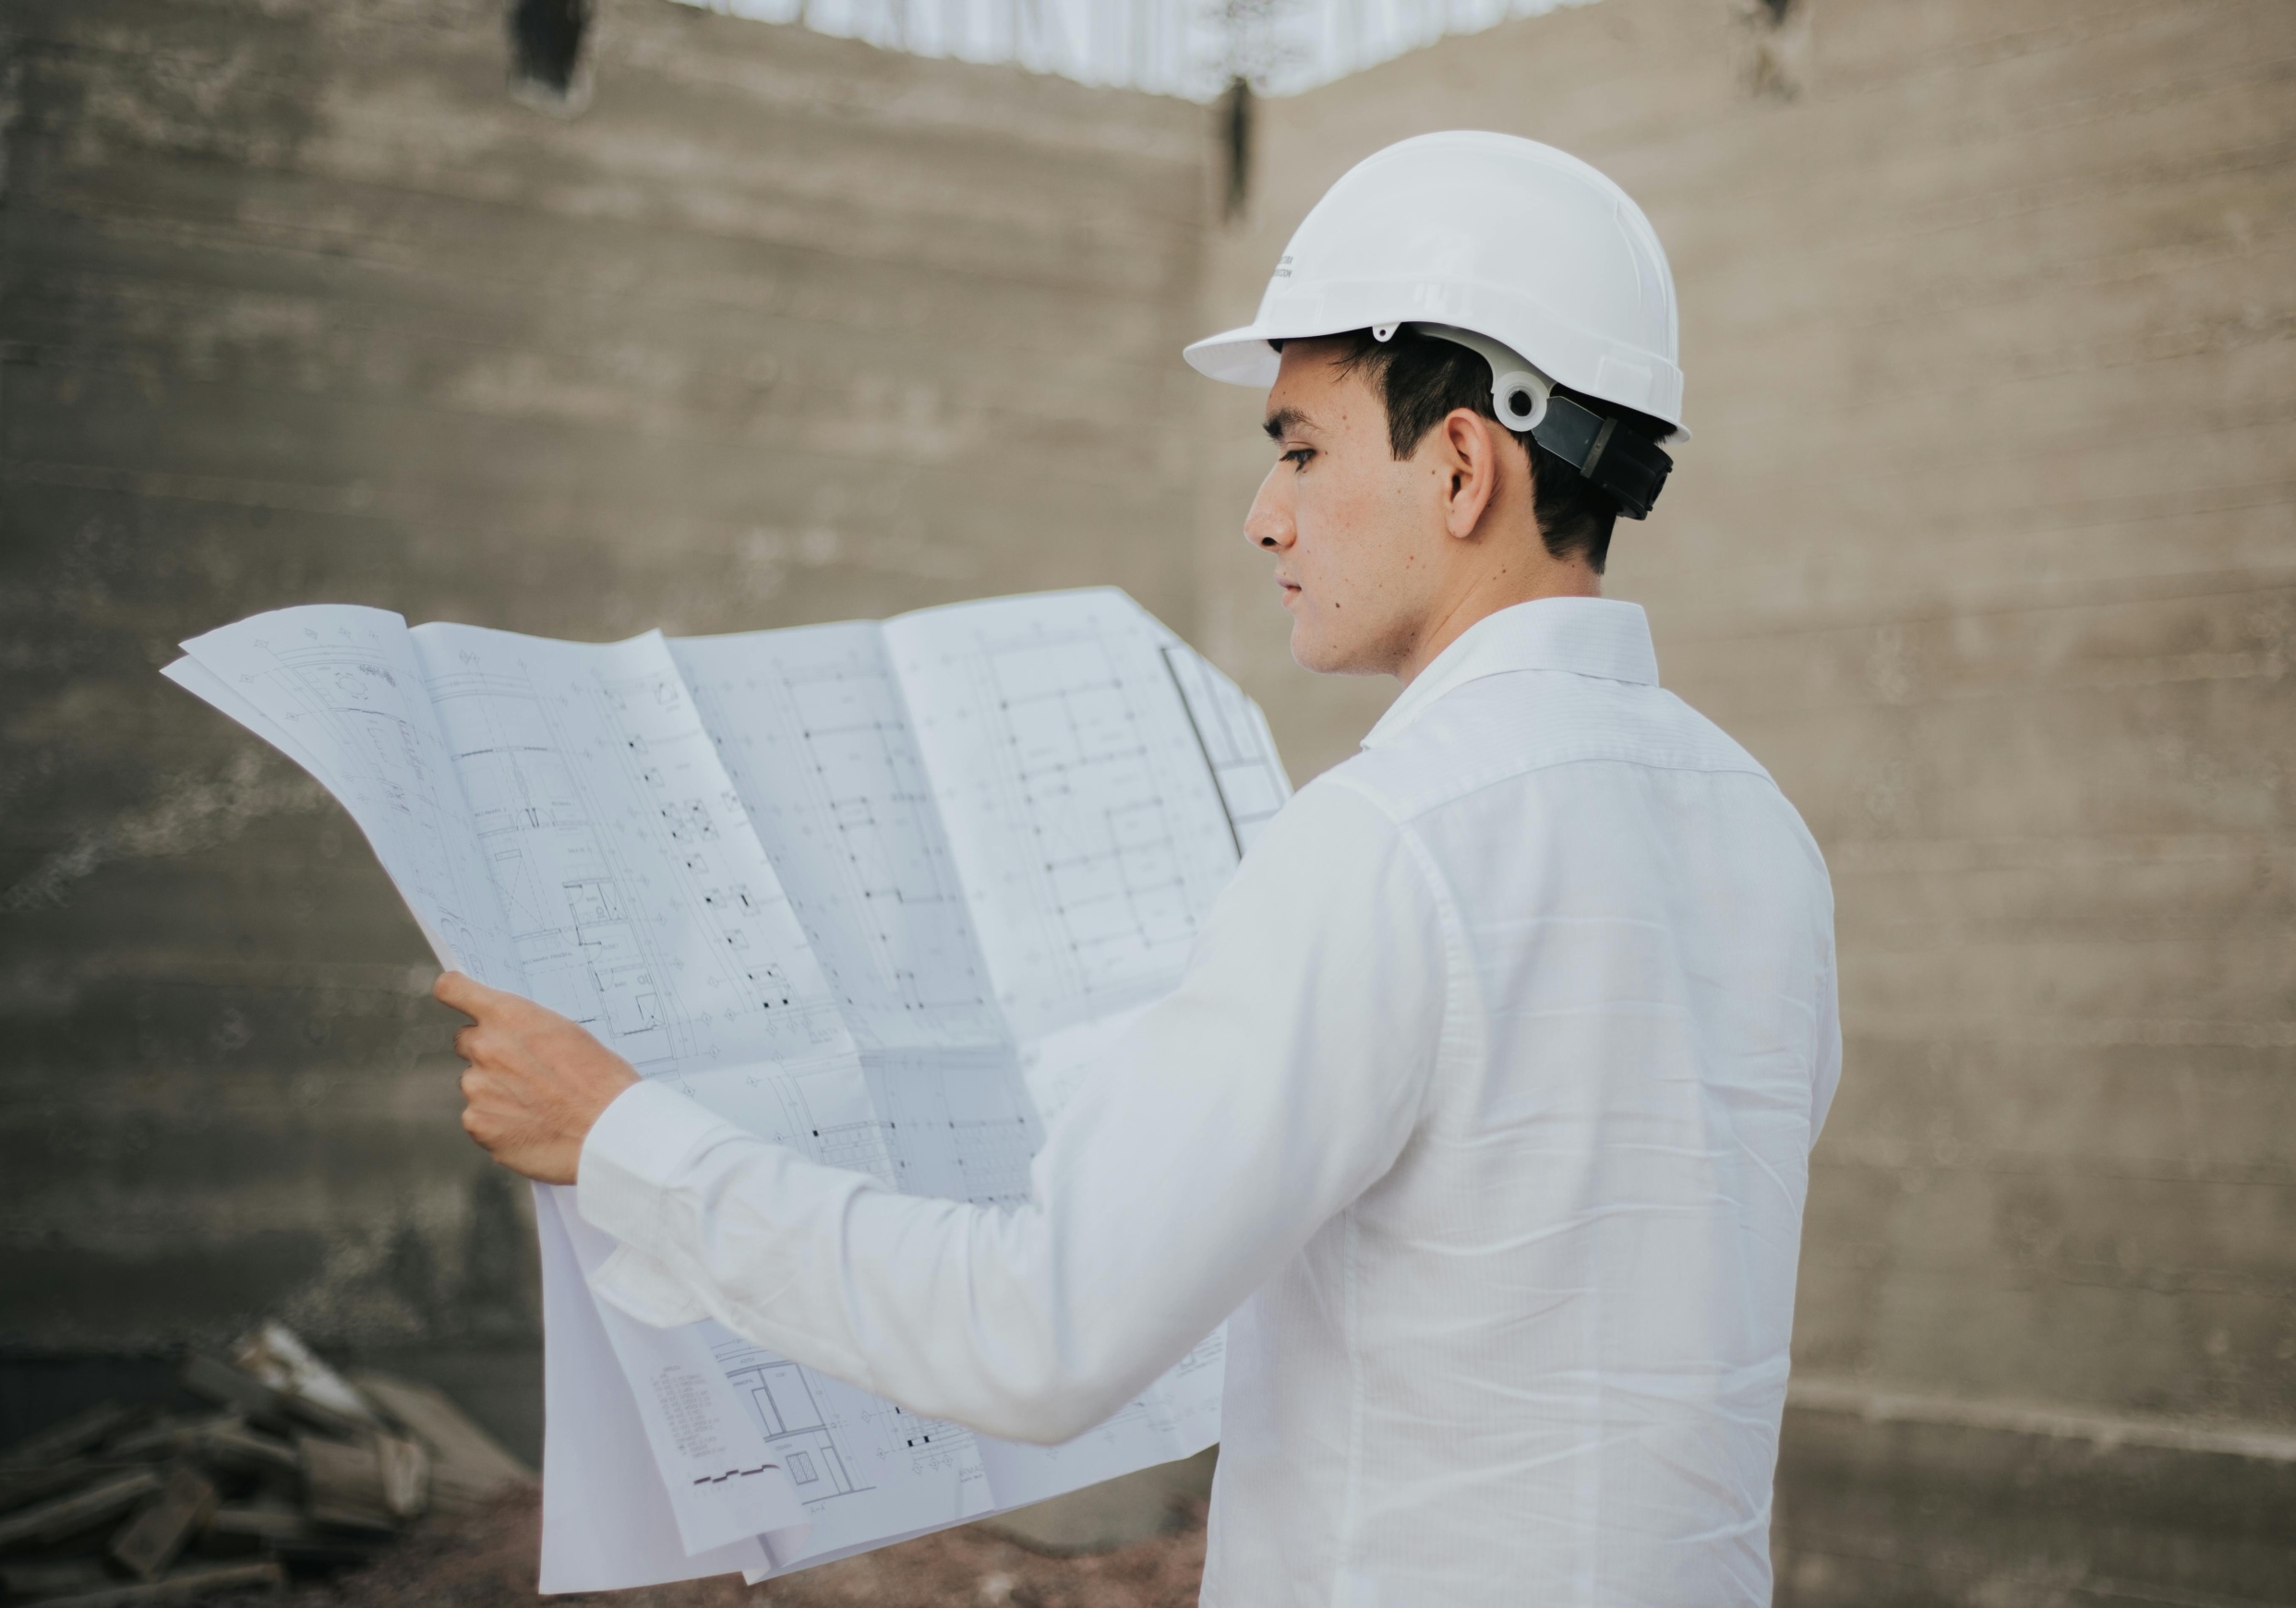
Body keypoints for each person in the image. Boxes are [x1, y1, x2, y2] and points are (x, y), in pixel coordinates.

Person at [437, 131, 1840, 1606]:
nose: (1266, 513)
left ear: (1465, 463)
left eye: (1300, 446)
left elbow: (1039, 1333)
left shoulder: (1390, 841)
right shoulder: (1764, 841)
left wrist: (622, 1140)